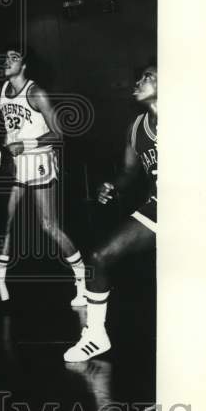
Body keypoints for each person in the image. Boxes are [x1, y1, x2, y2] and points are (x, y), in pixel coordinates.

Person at [64, 64, 157, 363]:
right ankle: (95, 336)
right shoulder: (136, 127)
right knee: (100, 257)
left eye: (149, 77)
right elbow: (131, 171)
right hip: (161, 206)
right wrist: (114, 186)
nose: (139, 81)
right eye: (140, 76)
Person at [0, 47, 88, 307]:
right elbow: (11, 128)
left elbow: (59, 134)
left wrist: (25, 144)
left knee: (48, 224)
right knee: (5, 220)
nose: (7, 61)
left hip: (39, 160)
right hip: (16, 163)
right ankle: (0, 282)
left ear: (25, 65)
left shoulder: (36, 93)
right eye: (6, 57)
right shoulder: (3, 90)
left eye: (14, 58)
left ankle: (81, 278)